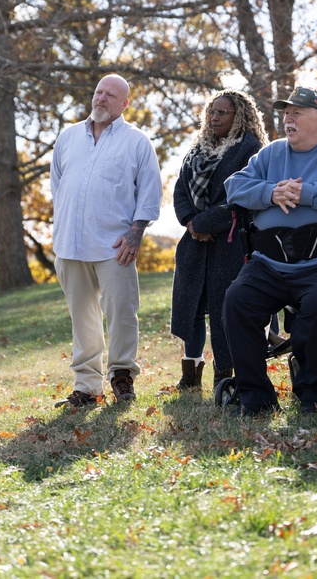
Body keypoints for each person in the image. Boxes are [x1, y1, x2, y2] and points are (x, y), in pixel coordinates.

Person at [222, 86, 317, 415]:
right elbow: (235, 186)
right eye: (286, 112)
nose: (288, 118)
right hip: (270, 262)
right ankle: (256, 398)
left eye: (298, 112)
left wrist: (306, 193)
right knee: (237, 300)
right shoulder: (272, 154)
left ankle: (314, 395)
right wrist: (271, 193)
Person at [51, 74, 162, 407]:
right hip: (70, 244)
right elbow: (59, 187)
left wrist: (136, 231)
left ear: (124, 104)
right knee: (82, 318)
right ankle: (86, 386)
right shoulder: (68, 137)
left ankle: (122, 374)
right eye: (99, 92)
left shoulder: (137, 141)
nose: (101, 98)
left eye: (111, 95)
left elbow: (150, 190)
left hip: (116, 245)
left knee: (122, 313)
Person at [170, 90, 267, 391]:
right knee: (192, 310)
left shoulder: (251, 149)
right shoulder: (197, 148)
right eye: (212, 111)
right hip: (194, 243)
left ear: (239, 116)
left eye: (222, 112)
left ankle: (224, 373)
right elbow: (180, 190)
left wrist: (203, 222)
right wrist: (190, 222)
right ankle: (191, 374)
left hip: (230, 243)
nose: (214, 117)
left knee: (226, 311)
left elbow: (240, 199)